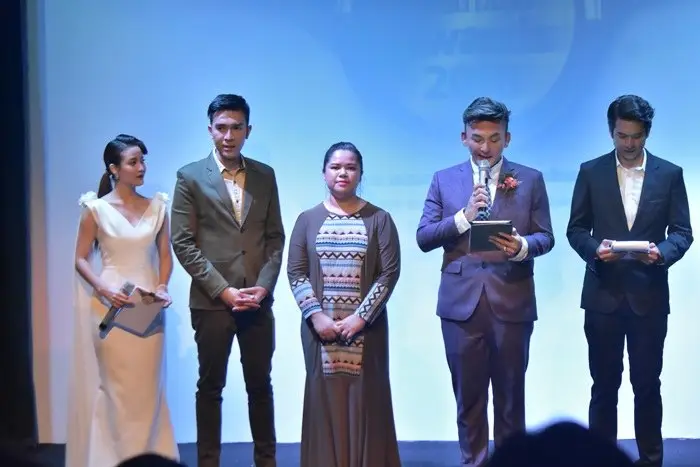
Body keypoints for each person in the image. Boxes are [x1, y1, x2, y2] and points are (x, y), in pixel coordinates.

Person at [416, 97, 555, 467]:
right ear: (463, 137)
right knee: (469, 400)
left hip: (512, 300)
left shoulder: (531, 179)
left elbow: (546, 237)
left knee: (511, 399)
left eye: (494, 138)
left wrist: (522, 247)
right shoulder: (444, 179)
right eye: (477, 138)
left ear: (507, 139)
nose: (485, 147)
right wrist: (463, 217)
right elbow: (424, 237)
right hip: (461, 305)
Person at [566, 94, 693, 467]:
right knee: (604, 387)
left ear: (647, 133)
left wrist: (661, 253)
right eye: (622, 135)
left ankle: (650, 460)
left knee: (647, 386)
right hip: (602, 295)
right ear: (611, 132)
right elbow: (576, 229)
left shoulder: (669, 174)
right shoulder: (591, 172)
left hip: (648, 296)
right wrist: (595, 249)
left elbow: (682, 232)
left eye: (636, 136)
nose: (629, 143)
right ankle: (601, 460)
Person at [170, 94, 284, 467]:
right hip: (212, 302)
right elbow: (182, 242)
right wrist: (223, 290)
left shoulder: (265, 175)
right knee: (210, 387)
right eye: (221, 128)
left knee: (260, 387)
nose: (228, 136)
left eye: (236, 127)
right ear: (210, 130)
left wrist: (264, 287)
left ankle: (266, 461)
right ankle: (208, 462)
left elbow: (274, 238)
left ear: (249, 130)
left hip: (256, 300)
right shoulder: (189, 177)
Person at [65, 134, 179, 467]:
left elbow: (165, 256)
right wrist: (103, 289)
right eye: (133, 162)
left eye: (143, 160)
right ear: (114, 169)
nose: (141, 167)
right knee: (116, 391)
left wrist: (162, 286)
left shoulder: (157, 207)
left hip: (147, 306)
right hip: (110, 306)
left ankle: (149, 458)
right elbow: (80, 258)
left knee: (147, 390)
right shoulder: (96, 209)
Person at [287, 142, 402, 467]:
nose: (343, 173)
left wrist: (360, 318)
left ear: (360, 174)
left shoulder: (380, 219)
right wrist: (316, 316)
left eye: (350, 167)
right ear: (324, 172)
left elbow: (389, 273)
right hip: (320, 334)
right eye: (336, 167)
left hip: (367, 332)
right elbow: (296, 272)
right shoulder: (307, 220)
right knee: (324, 401)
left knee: (366, 401)